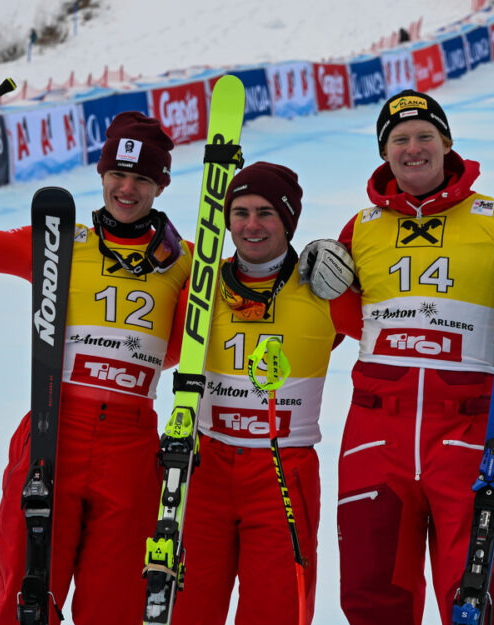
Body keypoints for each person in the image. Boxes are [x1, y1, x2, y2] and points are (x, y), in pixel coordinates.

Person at [299, 89, 494, 625]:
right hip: (376, 434)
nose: (413, 148)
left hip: (470, 435)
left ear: (448, 144)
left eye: (426, 136)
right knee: (372, 598)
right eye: (399, 139)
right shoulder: (361, 230)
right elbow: (341, 326)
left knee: (481, 601)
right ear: (384, 152)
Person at [0, 98, 193, 625]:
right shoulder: (59, 240)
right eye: (116, 173)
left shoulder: (184, 265)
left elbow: (194, 341)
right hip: (54, 428)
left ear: (161, 185)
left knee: (114, 607)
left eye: (140, 178)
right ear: (100, 174)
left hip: (132, 443)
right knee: (26, 598)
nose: (126, 189)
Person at [170, 162, 361, 624]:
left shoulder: (324, 288)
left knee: (276, 609)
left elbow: (394, 333)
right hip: (205, 465)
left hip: (282, 468)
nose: (251, 225)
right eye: (239, 212)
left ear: (289, 219)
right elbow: (155, 354)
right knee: (188, 607)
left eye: (265, 213)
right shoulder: (203, 285)